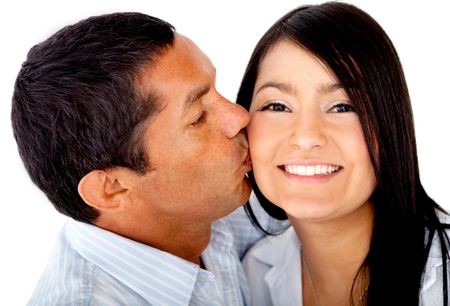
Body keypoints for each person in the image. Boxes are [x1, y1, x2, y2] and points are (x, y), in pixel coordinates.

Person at [12, 12, 285, 305]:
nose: (240, 116)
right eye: (198, 117)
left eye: (215, 91)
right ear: (111, 188)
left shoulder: (200, 204)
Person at [236, 2, 450, 306]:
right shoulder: (253, 276)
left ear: (390, 125)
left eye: (342, 106)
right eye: (278, 106)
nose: (307, 137)